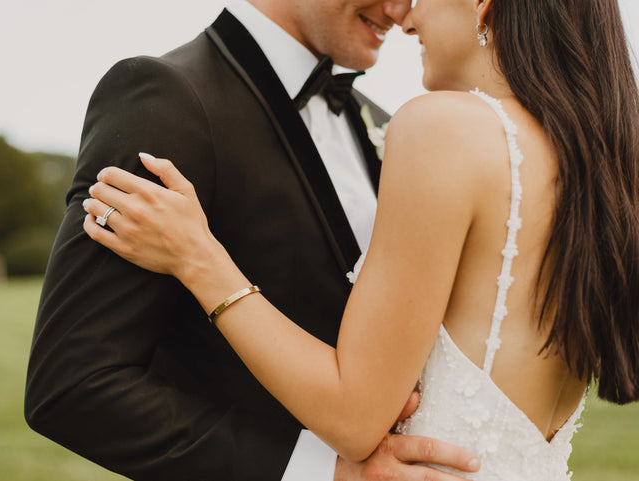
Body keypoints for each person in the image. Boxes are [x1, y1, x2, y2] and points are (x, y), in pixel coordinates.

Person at [81, 0, 639, 479]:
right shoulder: (596, 160)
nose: (407, 14)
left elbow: (354, 417)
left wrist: (198, 258)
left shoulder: (443, 128)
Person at [24, 0, 480, 480]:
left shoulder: (387, 124)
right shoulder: (163, 98)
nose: (398, 8)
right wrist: (321, 472)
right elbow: (73, 385)